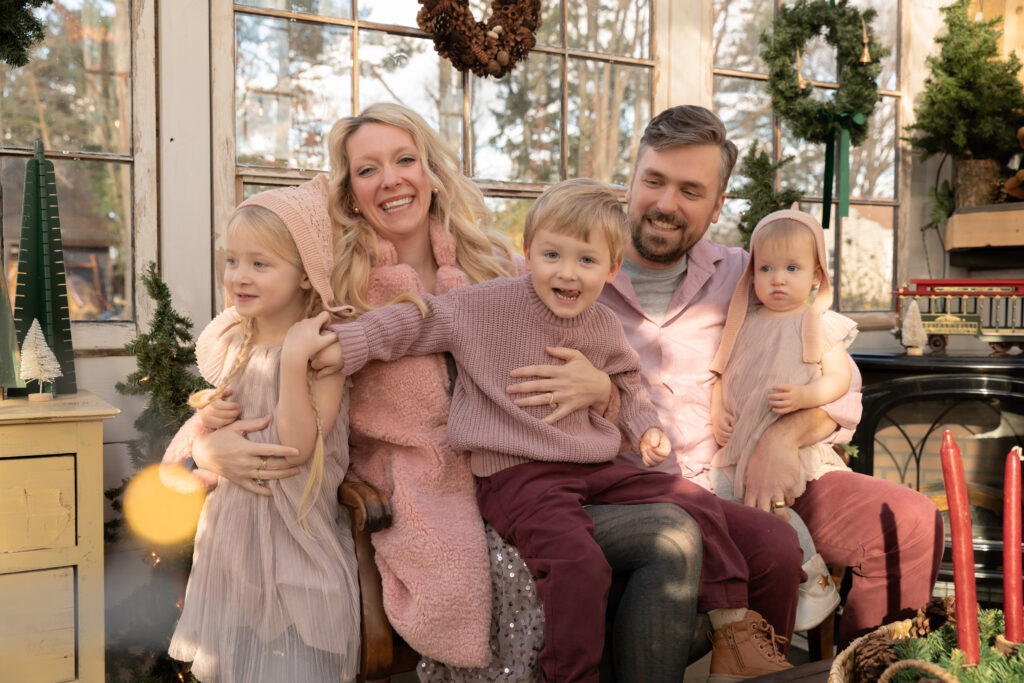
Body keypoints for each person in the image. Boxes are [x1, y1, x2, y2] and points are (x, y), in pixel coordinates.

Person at [165, 103, 708, 682]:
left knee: (682, 535)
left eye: (406, 159)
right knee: (667, 540)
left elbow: (605, 363)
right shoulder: (331, 286)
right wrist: (207, 448)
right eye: (368, 170)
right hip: (428, 503)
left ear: (430, 171)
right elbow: (250, 372)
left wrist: (600, 389)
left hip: (535, 477)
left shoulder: (499, 268)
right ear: (348, 192)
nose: (392, 179)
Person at [321, 177, 793, 682]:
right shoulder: (486, 305)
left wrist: (645, 429)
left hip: (596, 465)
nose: (568, 274)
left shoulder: (603, 325)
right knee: (578, 564)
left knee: (692, 500)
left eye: (587, 261)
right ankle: (570, 675)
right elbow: (414, 322)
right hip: (520, 478)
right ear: (529, 252)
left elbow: (627, 384)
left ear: (611, 268)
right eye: (552, 256)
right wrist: (343, 344)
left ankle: (733, 632)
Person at [599, 104, 944, 647]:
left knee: (907, 521)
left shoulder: (751, 273)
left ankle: (869, 668)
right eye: (654, 181)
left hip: (751, 467)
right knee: (771, 547)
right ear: (630, 182)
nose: (666, 204)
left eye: (691, 191)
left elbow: (840, 378)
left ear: (717, 207)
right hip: (640, 489)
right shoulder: (571, 271)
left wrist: (784, 437)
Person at [167, 177, 360, 682]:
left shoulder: (322, 350)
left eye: (260, 263)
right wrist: (209, 416)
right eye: (232, 261)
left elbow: (294, 448)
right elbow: (216, 424)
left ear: (304, 274)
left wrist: (294, 361)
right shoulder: (236, 344)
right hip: (231, 551)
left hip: (298, 547)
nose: (239, 276)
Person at [708, 209, 857, 633]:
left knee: (777, 511)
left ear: (815, 276)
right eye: (766, 268)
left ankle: (814, 576)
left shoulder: (817, 323)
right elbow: (721, 373)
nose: (777, 279)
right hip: (739, 445)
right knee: (723, 504)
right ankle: (737, 608)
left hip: (787, 447)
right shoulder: (743, 323)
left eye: (792, 268)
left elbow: (840, 379)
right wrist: (718, 409)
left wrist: (806, 396)